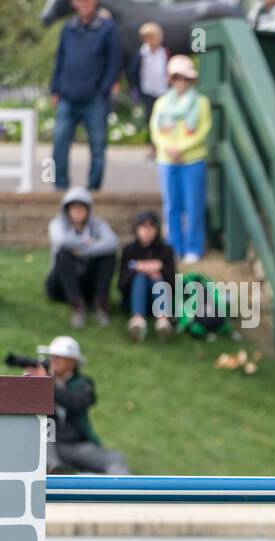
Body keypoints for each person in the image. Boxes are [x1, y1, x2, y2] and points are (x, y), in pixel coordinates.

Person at [27, 336, 131, 475]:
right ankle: (56, 470)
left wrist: (46, 384)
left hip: (74, 444)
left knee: (114, 458)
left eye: (60, 357)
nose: (54, 360)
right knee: (45, 446)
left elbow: (75, 403)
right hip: (47, 443)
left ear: (73, 362)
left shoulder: (84, 383)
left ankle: (123, 494)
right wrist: (30, 384)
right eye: (53, 356)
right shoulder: (41, 380)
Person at [49, 0, 122, 192]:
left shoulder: (108, 29)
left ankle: (93, 189)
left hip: (95, 99)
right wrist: (55, 89)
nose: (84, 3)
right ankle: (60, 187)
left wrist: (103, 89)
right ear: (74, 4)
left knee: (97, 147)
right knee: (59, 144)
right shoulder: (68, 28)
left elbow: (115, 62)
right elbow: (60, 59)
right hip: (68, 97)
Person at [149, 55, 210, 265]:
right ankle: (174, 246)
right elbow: (156, 130)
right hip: (167, 160)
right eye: (176, 78)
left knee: (193, 205)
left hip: (192, 159)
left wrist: (182, 148)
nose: (180, 82)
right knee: (171, 205)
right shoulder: (162, 103)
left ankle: (194, 246)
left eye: (184, 78)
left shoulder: (201, 103)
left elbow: (203, 130)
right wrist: (167, 148)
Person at [46, 186, 118, 330]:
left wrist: (83, 251)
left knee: (108, 256)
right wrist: (90, 244)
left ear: (88, 209)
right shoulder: (57, 224)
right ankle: (77, 306)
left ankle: (100, 305)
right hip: (60, 284)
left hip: (86, 281)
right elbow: (61, 241)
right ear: (66, 209)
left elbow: (112, 243)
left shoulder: (98, 224)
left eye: (82, 207)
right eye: (74, 207)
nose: (78, 210)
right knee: (63, 254)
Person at [117, 210, 177, 342]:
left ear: (157, 229)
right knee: (141, 278)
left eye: (151, 226)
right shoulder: (129, 250)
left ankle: (163, 320)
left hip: (160, 297)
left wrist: (160, 269)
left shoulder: (166, 251)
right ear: (137, 229)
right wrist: (138, 269)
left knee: (156, 277)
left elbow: (174, 285)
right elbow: (121, 285)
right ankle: (137, 320)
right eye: (143, 226)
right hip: (132, 299)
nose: (147, 231)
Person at [126, 22, 170, 127]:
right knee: (149, 117)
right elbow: (131, 73)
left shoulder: (165, 52)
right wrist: (135, 89)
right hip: (147, 91)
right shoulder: (141, 54)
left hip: (163, 90)